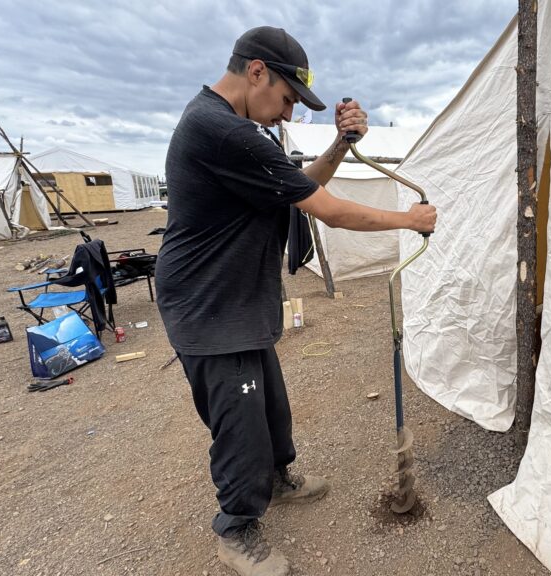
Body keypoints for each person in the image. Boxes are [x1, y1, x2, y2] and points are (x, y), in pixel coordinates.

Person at [155, 26, 437, 576]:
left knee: (271, 408)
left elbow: (300, 188)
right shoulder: (218, 130)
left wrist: (341, 145)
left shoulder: (236, 132)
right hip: (208, 306)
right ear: (256, 71)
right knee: (241, 424)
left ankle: (278, 477)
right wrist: (408, 219)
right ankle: (236, 529)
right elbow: (327, 209)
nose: (287, 115)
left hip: (237, 298)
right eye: (286, 99)